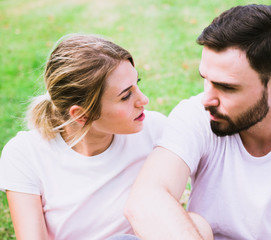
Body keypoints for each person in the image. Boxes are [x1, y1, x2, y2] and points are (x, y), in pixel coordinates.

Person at [125, 4, 271, 240]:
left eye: (227, 87)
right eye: (206, 79)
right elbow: (146, 199)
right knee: (195, 224)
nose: (207, 98)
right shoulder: (196, 115)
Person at [0, 34, 166, 240]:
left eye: (137, 84)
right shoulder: (25, 154)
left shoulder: (155, 131)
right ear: (81, 115)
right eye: (125, 96)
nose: (144, 100)